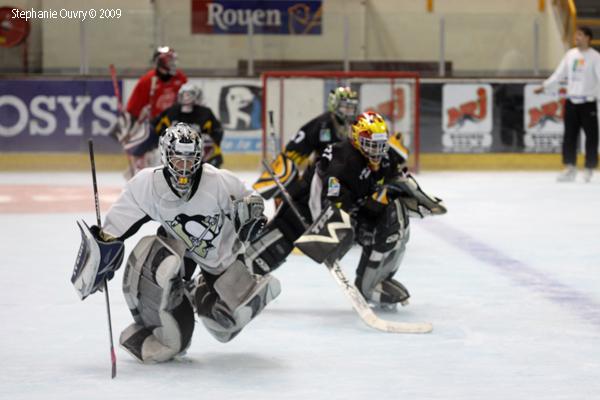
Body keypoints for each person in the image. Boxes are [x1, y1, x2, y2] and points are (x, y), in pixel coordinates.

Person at [71, 123, 280, 363]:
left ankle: (199, 291)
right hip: (175, 252)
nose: (184, 167)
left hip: (218, 256)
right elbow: (113, 231)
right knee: (173, 342)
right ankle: (151, 320)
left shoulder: (219, 182)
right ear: (165, 157)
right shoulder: (147, 185)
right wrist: (101, 254)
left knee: (229, 323)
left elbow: (251, 204)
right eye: (178, 160)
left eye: (190, 160)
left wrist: (252, 214)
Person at [246, 111, 446, 309]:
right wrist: (334, 235)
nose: (376, 151)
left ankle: (371, 285)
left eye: (380, 144)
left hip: (350, 213)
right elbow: (333, 205)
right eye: (371, 144)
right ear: (358, 140)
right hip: (306, 212)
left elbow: (397, 182)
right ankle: (240, 278)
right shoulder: (341, 161)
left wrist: (418, 199)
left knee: (395, 219)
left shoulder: (386, 159)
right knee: (270, 250)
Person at [534, 26, 600, 182]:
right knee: (569, 136)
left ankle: (589, 167)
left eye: (581, 35)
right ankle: (570, 167)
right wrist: (544, 86)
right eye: (576, 35)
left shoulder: (595, 57)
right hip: (571, 102)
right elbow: (558, 74)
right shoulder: (570, 55)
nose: (577, 38)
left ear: (588, 38)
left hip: (588, 103)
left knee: (591, 136)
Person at [115, 46, 188, 173]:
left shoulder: (180, 79)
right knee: (142, 154)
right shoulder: (147, 81)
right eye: (169, 61)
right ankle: (139, 174)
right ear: (161, 63)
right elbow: (133, 109)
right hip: (155, 126)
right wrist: (124, 129)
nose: (173, 64)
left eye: (173, 61)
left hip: (175, 125)